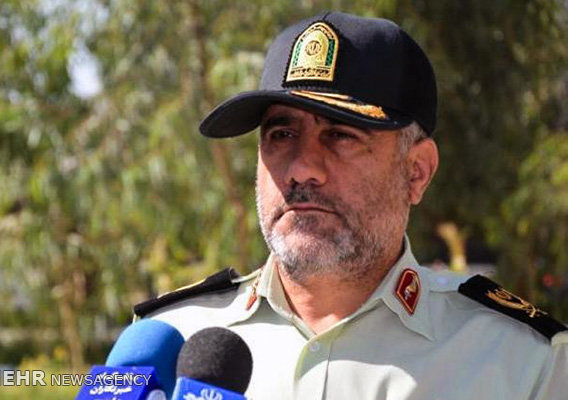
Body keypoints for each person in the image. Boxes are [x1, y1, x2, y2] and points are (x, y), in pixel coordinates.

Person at [133, 12, 567, 399]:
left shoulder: (524, 363)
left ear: (416, 172)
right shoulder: (166, 341)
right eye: (282, 134)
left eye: (341, 136)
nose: (302, 168)